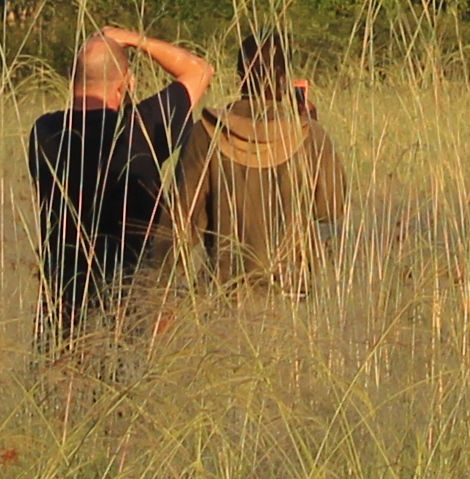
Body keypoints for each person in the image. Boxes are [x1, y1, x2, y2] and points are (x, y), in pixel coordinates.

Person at [28, 27, 216, 332]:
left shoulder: (43, 132)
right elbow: (199, 70)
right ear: (125, 83)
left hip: (62, 303)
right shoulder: (139, 128)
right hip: (134, 301)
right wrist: (135, 39)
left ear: (72, 80)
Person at [182, 27, 348, 292]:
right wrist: (312, 127)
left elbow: (182, 222)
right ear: (284, 80)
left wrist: (160, 294)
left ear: (240, 76)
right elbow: (330, 209)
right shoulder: (310, 135)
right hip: (290, 289)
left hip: (222, 288)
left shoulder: (206, 131)